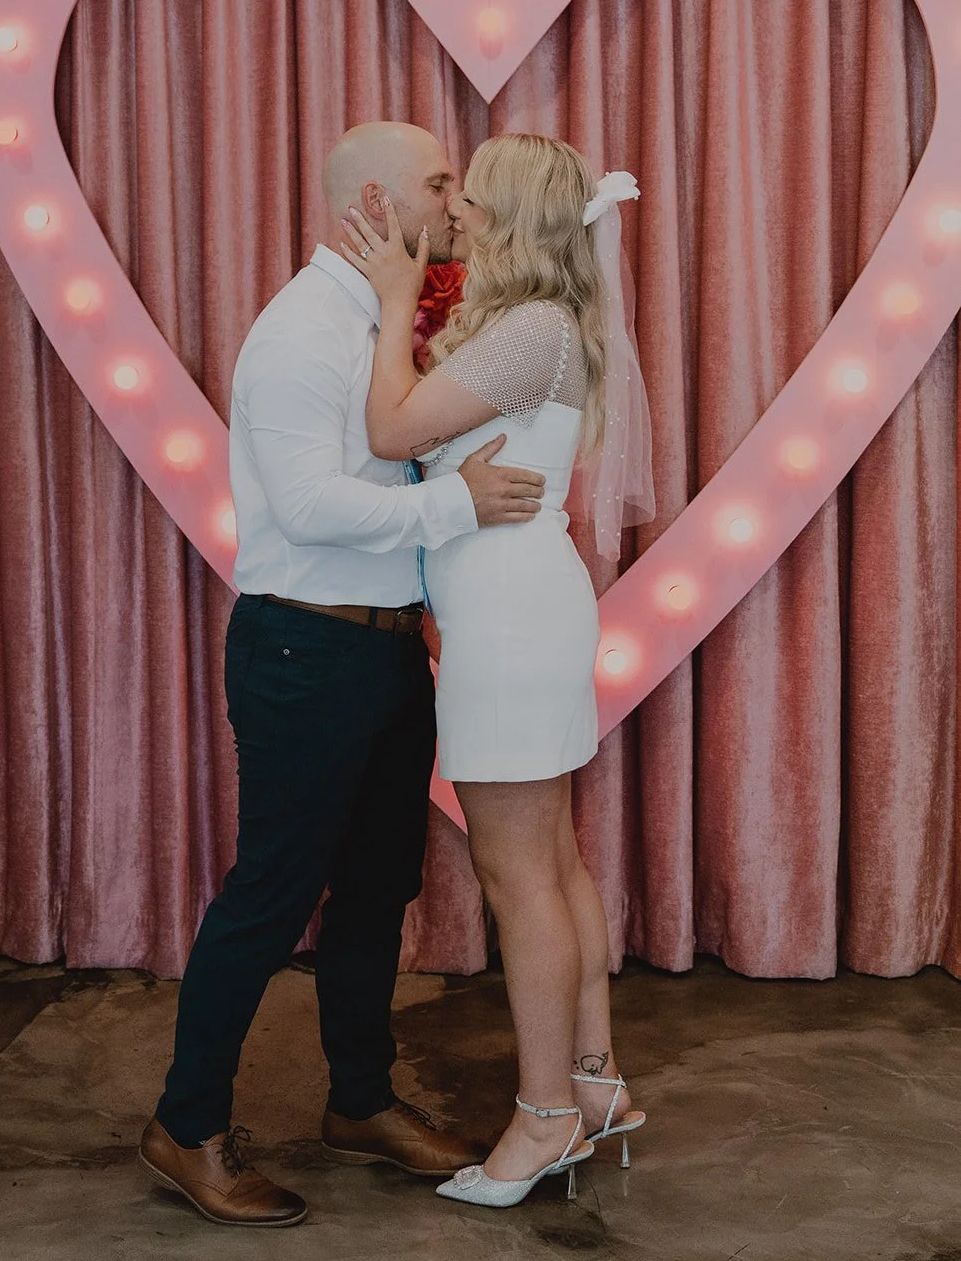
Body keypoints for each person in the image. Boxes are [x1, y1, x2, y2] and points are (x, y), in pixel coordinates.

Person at [138, 122, 549, 1228]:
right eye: (435, 182)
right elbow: (313, 504)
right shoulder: (299, 333)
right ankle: (186, 1127)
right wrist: (459, 503)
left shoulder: (383, 321)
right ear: (373, 199)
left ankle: (359, 1103)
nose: (455, 199)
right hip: (302, 648)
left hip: (382, 645)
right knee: (271, 896)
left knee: (379, 891)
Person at [340, 132, 655, 1209]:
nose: (457, 214)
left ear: (513, 220)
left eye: (472, 200)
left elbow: (387, 426)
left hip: (510, 617)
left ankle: (541, 1120)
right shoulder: (540, 326)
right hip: (522, 608)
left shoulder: (527, 328)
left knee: (519, 879)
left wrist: (391, 306)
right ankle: (593, 1082)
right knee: (552, 865)